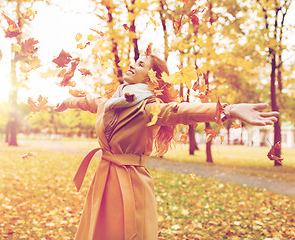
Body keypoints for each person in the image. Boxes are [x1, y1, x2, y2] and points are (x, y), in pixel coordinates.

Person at [54, 54, 279, 240]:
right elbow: (85, 100)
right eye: (135, 61)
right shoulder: (109, 102)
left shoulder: (150, 107)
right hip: (104, 178)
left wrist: (227, 110)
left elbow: (182, 111)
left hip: (130, 183)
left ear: (151, 79)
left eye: (141, 64)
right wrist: (65, 102)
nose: (133, 64)